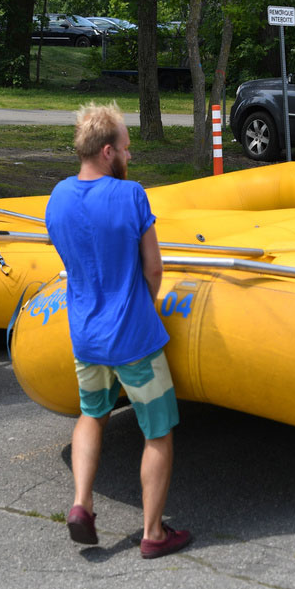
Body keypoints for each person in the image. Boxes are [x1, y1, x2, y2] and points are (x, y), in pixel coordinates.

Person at [45, 102, 192, 559]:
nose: (130, 157)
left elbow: (71, 259)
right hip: (133, 338)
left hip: (85, 334)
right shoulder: (132, 197)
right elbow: (153, 269)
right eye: (127, 150)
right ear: (108, 151)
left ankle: (81, 504)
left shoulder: (58, 197)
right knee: (158, 431)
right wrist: (142, 309)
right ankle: (153, 533)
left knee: (92, 414)